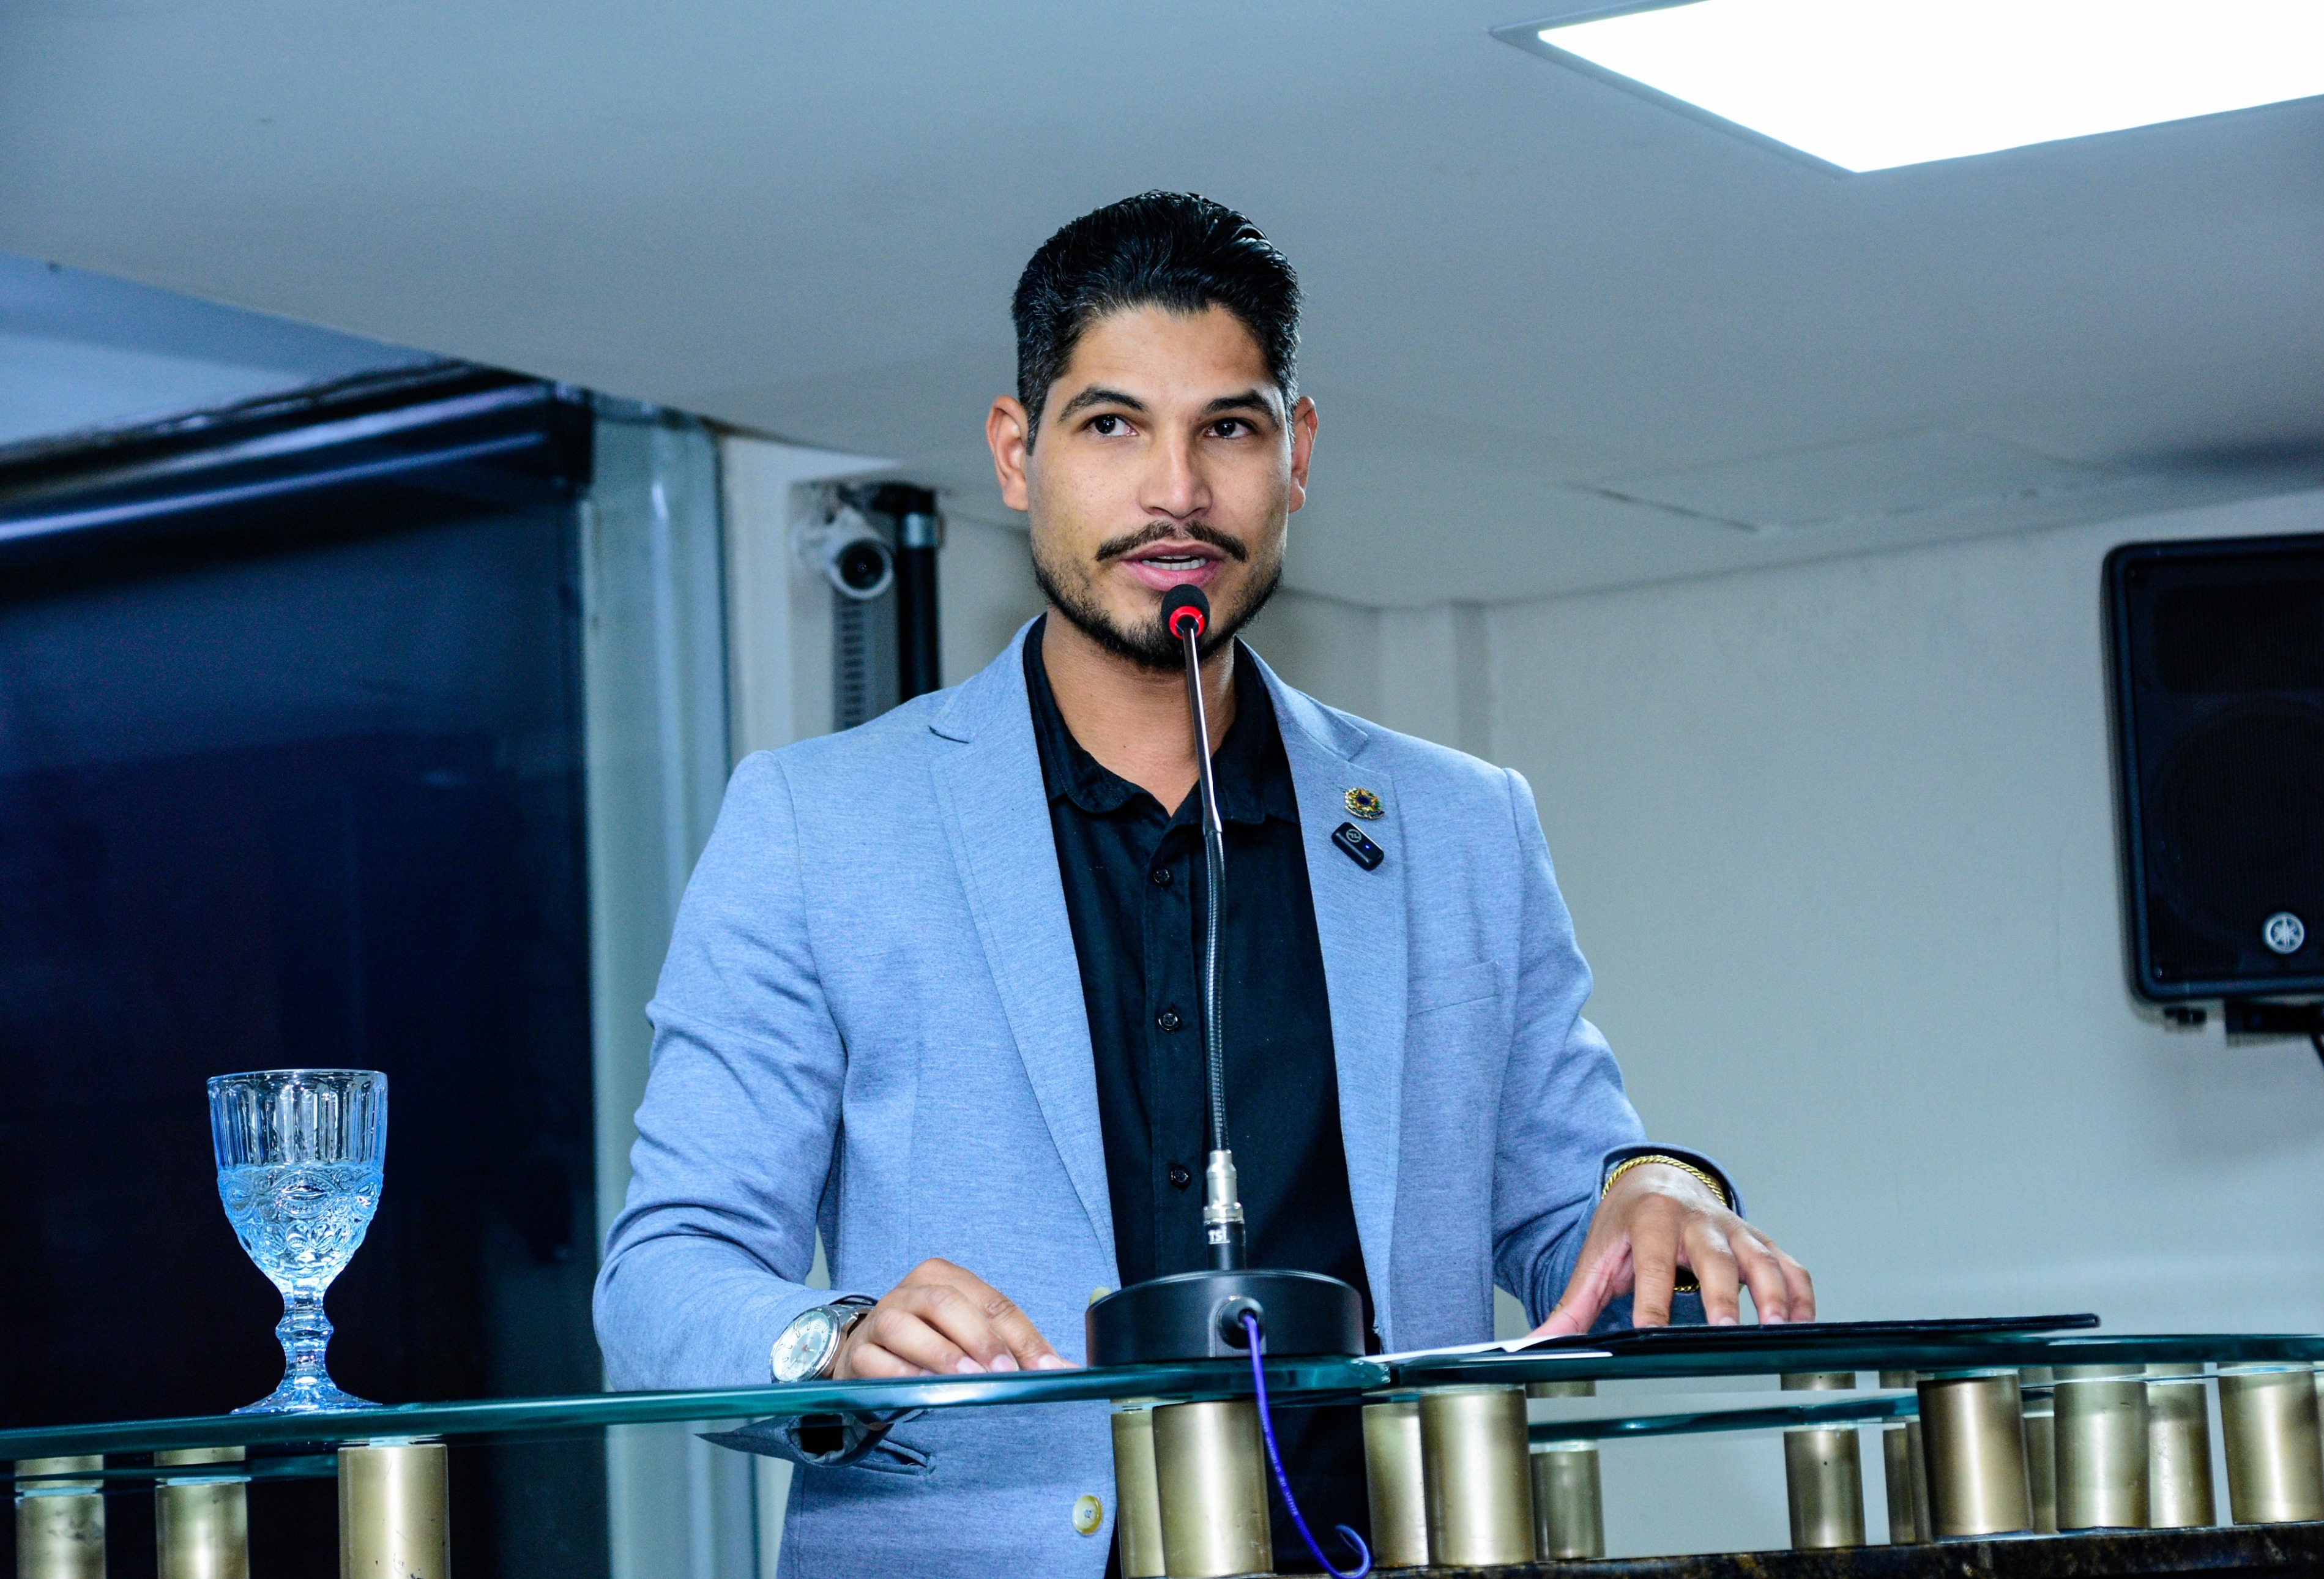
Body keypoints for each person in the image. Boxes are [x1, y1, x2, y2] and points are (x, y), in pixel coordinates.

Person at [594, 191, 1814, 1577]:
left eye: (1227, 428)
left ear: (1296, 455)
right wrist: (833, 1340)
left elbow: (1568, 1213)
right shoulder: (816, 826)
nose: (1176, 490)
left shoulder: (1463, 828)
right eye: (1112, 426)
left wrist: (1661, 1192)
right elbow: (662, 1277)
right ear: (1017, 455)